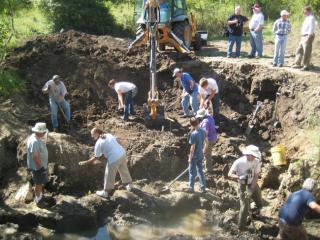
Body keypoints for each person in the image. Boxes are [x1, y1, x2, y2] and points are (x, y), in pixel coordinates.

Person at [79, 128, 133, 198]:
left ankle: (106, 192)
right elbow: (117, 140)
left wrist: (86, 162)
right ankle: (129, 185)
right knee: (123, 169)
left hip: (114, 158)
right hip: (122, 153)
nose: (92, 136)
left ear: (97, 133)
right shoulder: (108, 135)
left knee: (109, 174)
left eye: (93, 134)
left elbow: (96, 157)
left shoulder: (98, 143)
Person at [228, 145, 263, 230]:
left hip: (253, 184)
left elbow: (256, 176)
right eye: (253, 156)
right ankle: (241, 226)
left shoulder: (256, 161)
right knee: (244, 207)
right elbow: (229, 174)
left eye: (255, 156)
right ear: (248, 154)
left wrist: (251, 189)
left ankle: (254, 213)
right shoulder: (238, 162)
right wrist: (238, 177)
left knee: (259, 202)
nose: (254, 157)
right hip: (243, 185)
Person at [27, 122, 49, 206]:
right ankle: (39, 201)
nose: (44, 133)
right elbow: (35, 157)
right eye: (43, 132)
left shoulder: (36, 137)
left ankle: (40, 196)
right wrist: (41, 167)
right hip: (37, 167)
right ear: (39, 132)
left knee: (40, 182)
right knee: (38, 183)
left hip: (40, 165)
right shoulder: (34, 141)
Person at [292, 6, 316, 71]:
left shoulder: (311, 18)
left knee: (307, 51)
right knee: (299, 50)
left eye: (305, 12)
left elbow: (311, 28)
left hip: (307, 36)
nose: (304, 13)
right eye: (304, 12)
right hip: (303, 36)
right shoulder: (307, 18)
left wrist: (309, 36)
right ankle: (297, 64)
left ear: (309, 11)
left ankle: (306, 66)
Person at [187, 117, 206, 194]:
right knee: (200, 171)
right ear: (198, 122)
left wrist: (190, 158)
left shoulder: (193, 134)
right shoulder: (202, 131)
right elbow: (205, 141)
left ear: (191, 124)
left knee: (191, 171)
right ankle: (203, 187)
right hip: (200, 154)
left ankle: (191, 188)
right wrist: (203, 151)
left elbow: (192, 148)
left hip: (195, 155)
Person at [195, 109, 217, 173]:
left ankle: (208, 169)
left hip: (209, 140)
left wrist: (204, 148)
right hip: (213, 137)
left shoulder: (205, 122)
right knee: (207, 153)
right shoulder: (209, 116)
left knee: (207, 154)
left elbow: (205, 135)